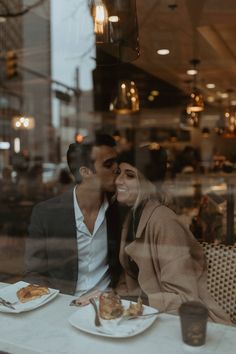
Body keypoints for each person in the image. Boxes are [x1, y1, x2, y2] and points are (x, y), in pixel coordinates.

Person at [115, 145, 231, 324]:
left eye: (130, 175)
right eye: (118, 173)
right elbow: (127, 280)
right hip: (146, 316)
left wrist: (133, 303)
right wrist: (111, 300)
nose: (118, 181)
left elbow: (185, 298)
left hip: (185, 321)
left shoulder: (164, 221)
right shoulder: (130, 218)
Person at [24, 133, 122, 295]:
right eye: (108, 164)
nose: (117, 168)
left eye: (116, 161)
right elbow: (34, 273)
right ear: (85, 172)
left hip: (108, 307)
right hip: (62, 306)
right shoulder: (46, 214)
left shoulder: (118, 210)